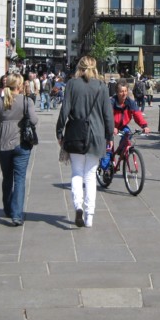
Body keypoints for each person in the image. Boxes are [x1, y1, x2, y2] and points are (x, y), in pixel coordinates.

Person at [56, 56, 114, 229]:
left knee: (76, 173)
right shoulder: (101, 86)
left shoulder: (72, 84)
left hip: (75, 135)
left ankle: (78, 206)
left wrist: (59, 131)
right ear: (95, 67)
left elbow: (64, 109)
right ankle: (89, 216)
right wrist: (110, 136)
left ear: (79, 67)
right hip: (96, 136)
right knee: (90, 176)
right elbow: (107, 115)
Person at [0, 74, 38, 226]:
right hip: (22, 143)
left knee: (7, 177)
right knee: (20, 179)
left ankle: (7, 207)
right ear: (19, 86)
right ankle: (17, 215)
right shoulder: (26, 101)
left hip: (3, 143)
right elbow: (34, 120)